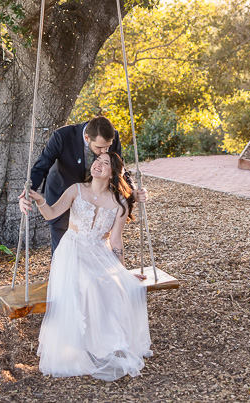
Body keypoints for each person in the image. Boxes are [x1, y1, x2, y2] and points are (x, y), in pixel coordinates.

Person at [27, 152, 152, 380]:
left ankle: (107, 344)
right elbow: (52, 213)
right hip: (72, 249)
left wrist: (122, 273)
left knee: (115, 286)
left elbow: (115, 241)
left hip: (99, 251)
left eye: (105, 163)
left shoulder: (119, 203)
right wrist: (39, 200)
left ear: (113, 172)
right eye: (97, 160)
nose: (98, 165)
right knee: (88, 284)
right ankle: (80, 346)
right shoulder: (76, 190)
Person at [20, 116, 123, 254]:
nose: (105, 152)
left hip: (94, 204)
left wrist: (132, 191)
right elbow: (40, 168)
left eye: (108, 147)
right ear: (87, 138)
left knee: (91, 252)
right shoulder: (62, 136)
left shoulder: (112, 135)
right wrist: (27, 193)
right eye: (99, 147)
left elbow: (118, 168)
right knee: (63, 253)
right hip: (61, 196)